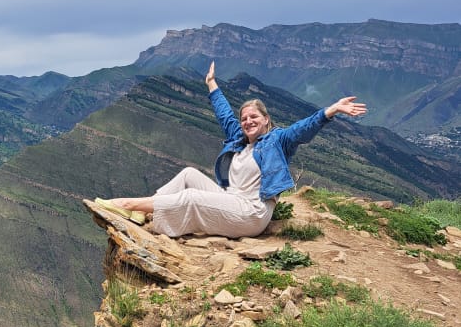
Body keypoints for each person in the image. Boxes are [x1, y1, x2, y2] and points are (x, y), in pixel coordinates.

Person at [95, 61, 367, 239]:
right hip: (230, 199)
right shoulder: (239, 139)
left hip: (251, 213)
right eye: (244, 118)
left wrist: (331, 110)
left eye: (254, 117)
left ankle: (128, 205)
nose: (248, 121)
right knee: (189, 174)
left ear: (266, 120)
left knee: (191, 197)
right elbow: (224, 114)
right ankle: (145, 210)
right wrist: (211, 83)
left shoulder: (278, 140)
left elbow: (303, 129)